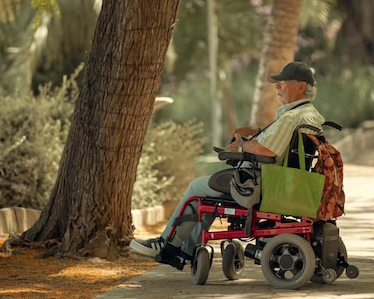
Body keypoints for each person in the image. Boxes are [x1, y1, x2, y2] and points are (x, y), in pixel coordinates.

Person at [129, 61, 325, 261]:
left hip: (262, 183)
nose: (277, 86)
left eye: (283, 82)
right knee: (212, 190)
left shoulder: (291, 117)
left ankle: (166, 244)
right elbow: (279, 144)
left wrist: (240, 146)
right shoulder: (311, 115)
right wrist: (255, 133)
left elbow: (266, 150)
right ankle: (183, 249)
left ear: (301, 86)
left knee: (198, 188)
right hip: (282, 180)